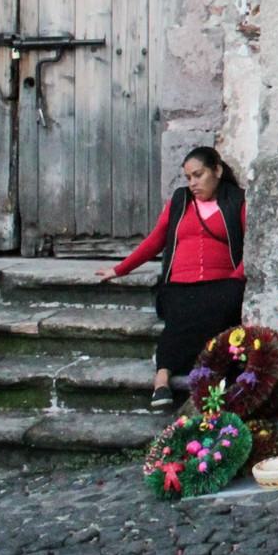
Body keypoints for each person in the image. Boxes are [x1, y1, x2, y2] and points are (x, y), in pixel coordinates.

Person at [99, 147, 248, 409]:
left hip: (222, 283)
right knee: (181, 310)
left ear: (217, 170)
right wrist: (120, 269)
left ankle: (210, 374)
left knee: (218, 306)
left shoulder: (237, 201)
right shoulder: (180, 201)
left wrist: (236, 278)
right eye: (188, 178)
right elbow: (155, 239)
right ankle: (162, 378)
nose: (192, 183)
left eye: (198, 175)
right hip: (180, 284)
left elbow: (253, 246)